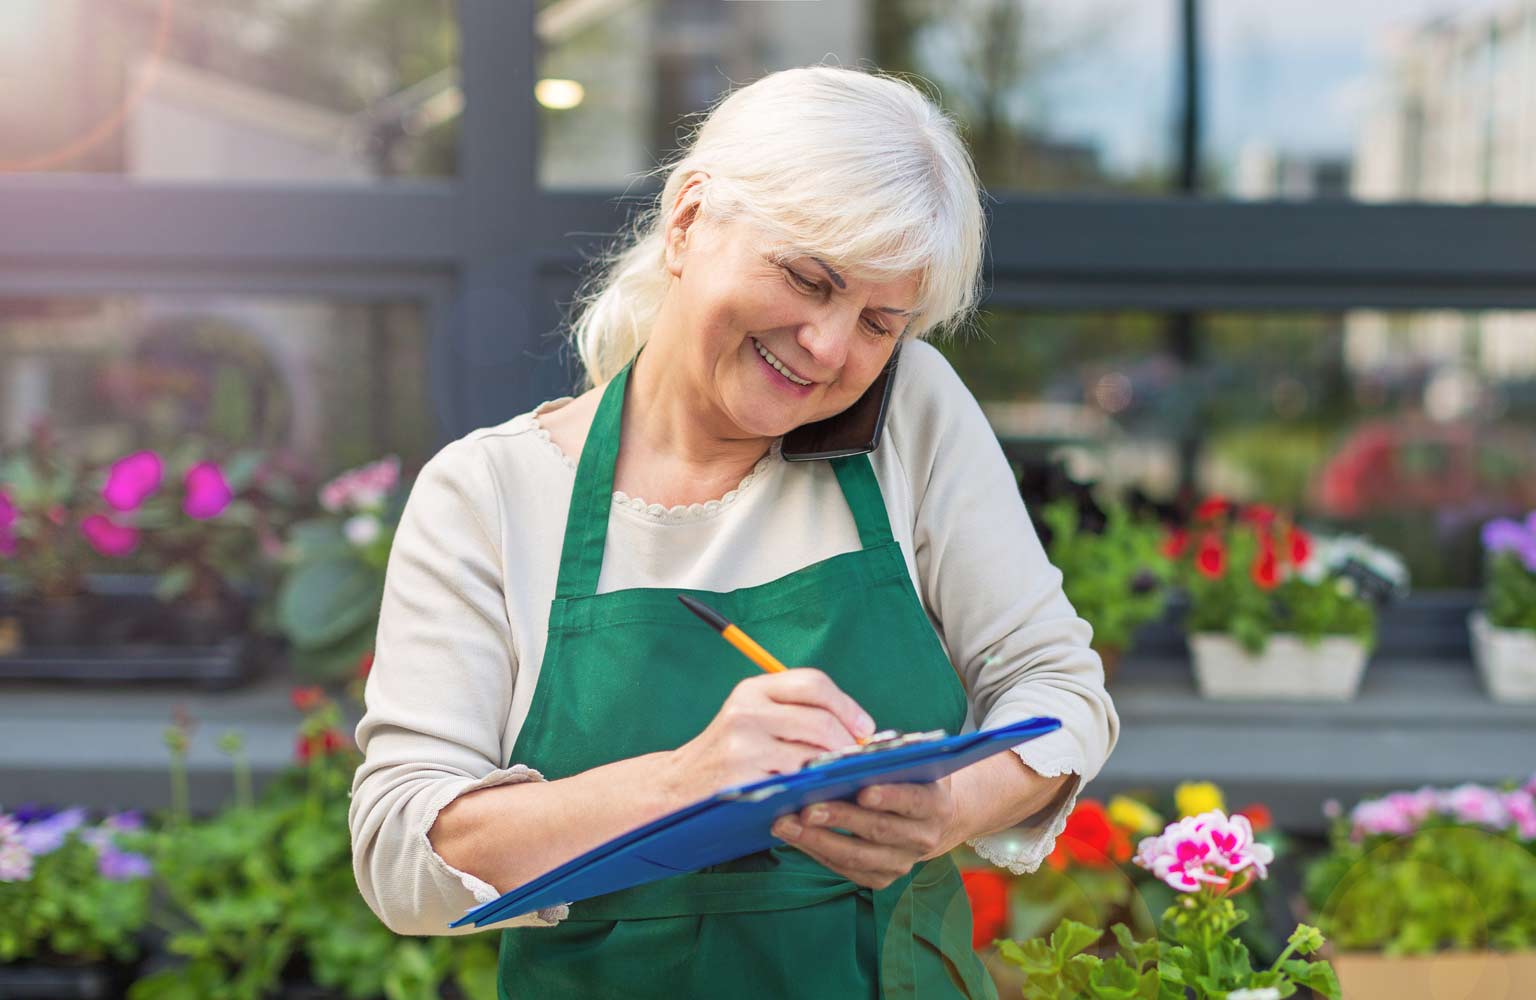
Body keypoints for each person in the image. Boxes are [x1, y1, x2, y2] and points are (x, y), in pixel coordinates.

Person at [347, 65, 1119, 997]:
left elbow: (1060, 692)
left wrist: (950, 806)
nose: (831, 348)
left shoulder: (907, 417)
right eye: (807, 278)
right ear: (688, 221)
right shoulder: (490, 493)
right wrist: (688, 782)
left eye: (879, 321)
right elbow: (401, 850)